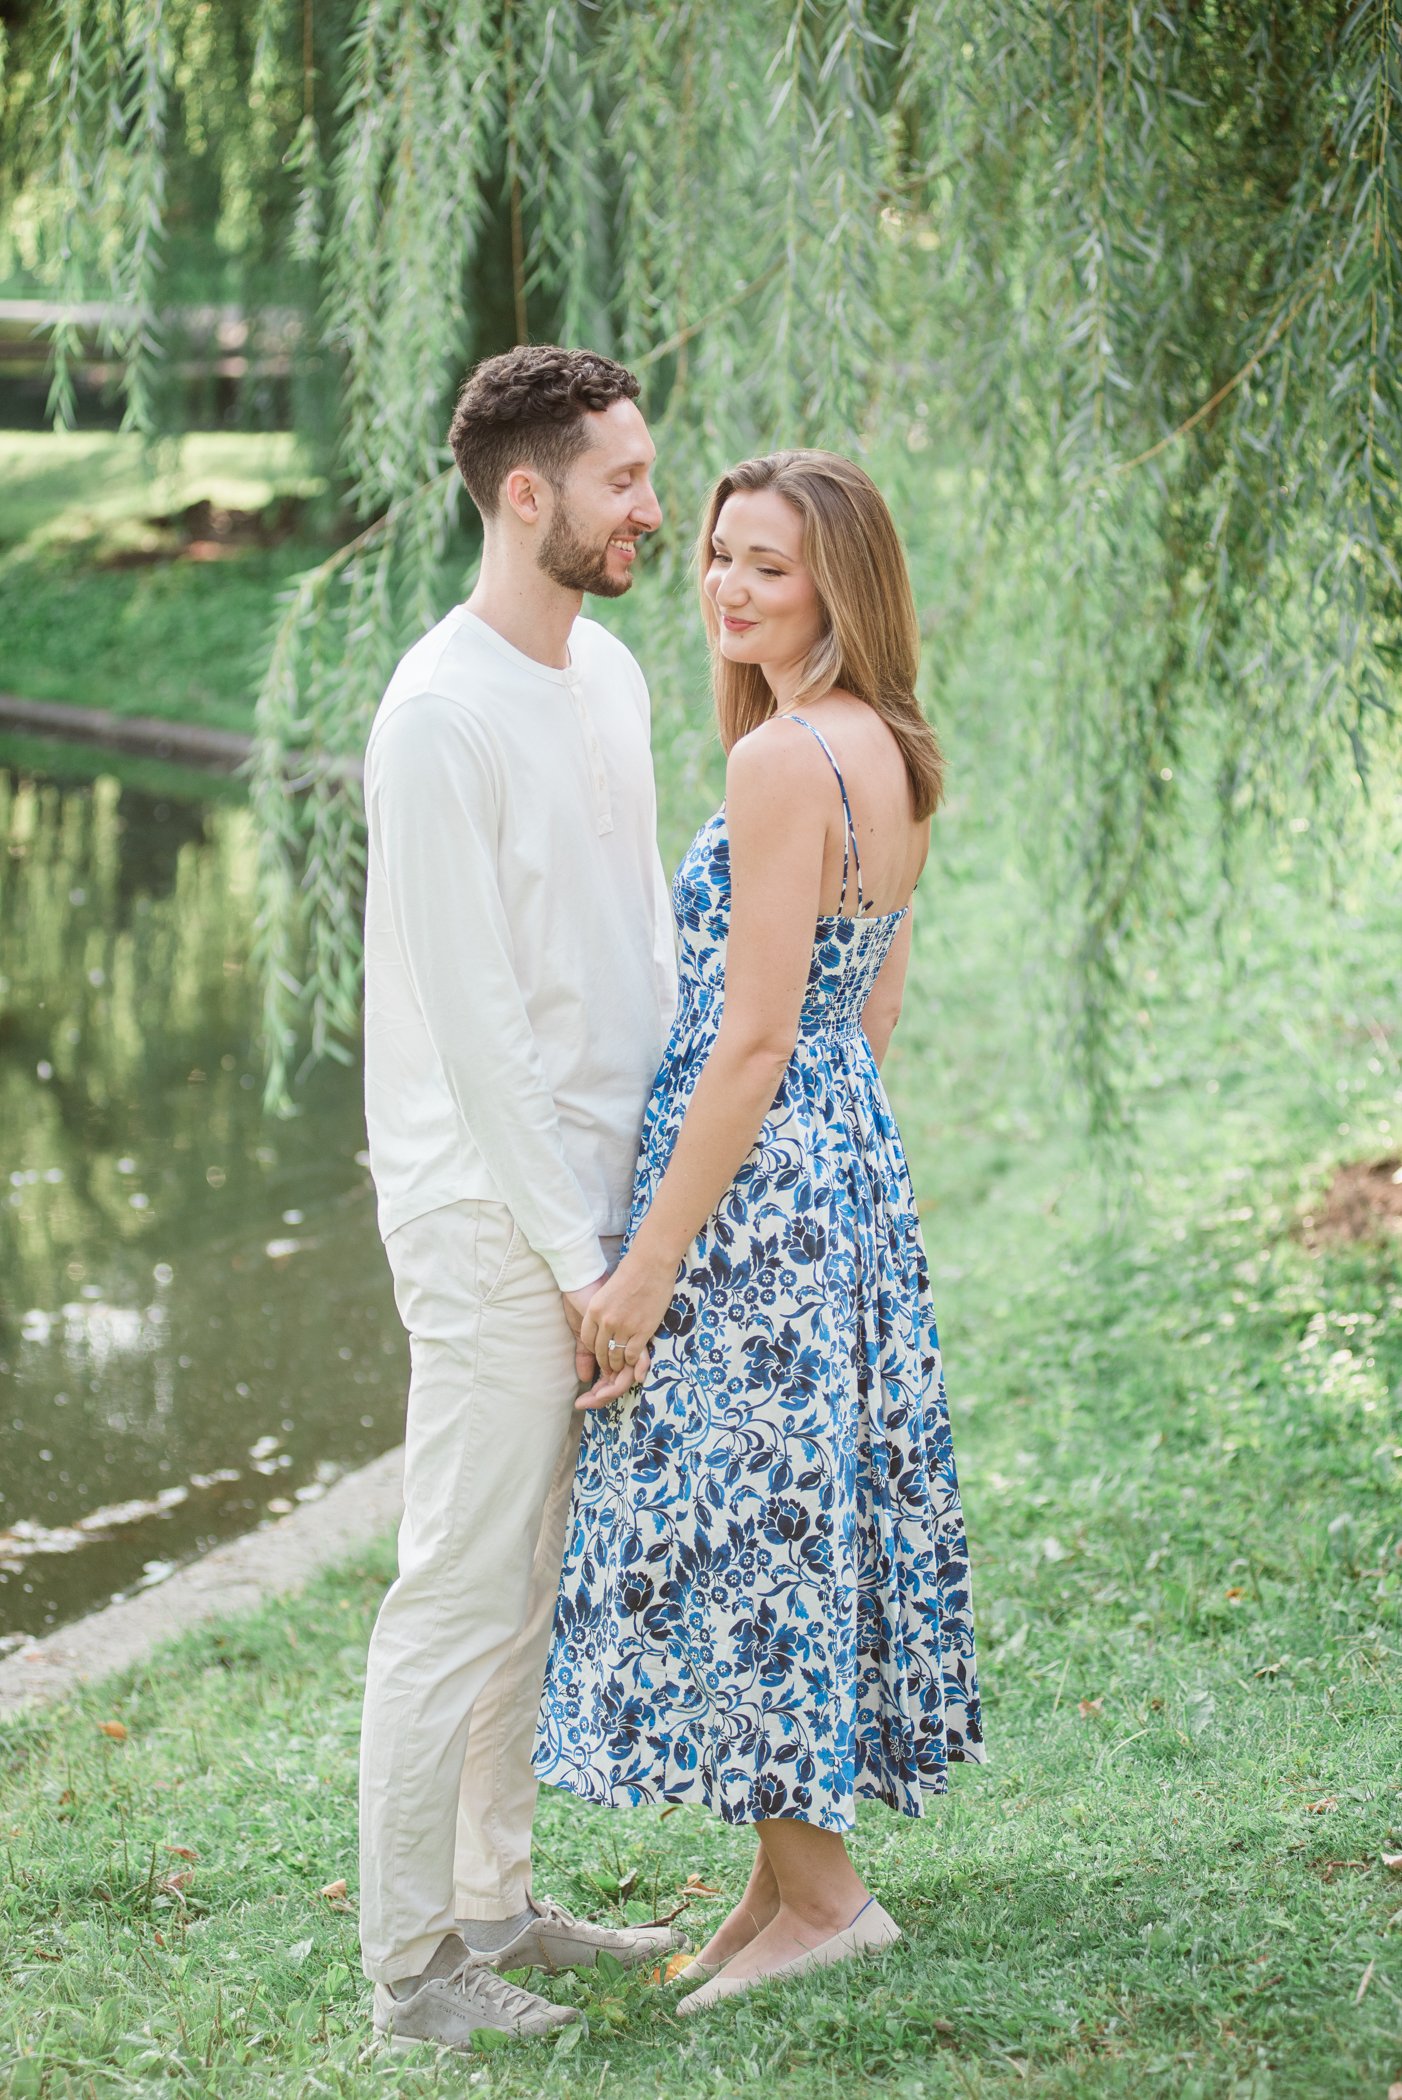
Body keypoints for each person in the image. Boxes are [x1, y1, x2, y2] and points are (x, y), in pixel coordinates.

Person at [533, 448, 984, 2012]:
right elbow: (874, 1008)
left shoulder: (782, 760)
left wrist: (651, 1262)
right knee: (790, 1516)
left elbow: (755, 1039)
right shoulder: (889, 749)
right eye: (719, 552)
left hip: (753, 1188)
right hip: (836, 1168)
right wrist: (825, 1166)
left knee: (752, 1534)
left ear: (835, 588)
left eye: (767, 566)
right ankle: (776, 1888)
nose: (726, 583)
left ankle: (831, 1901)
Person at [357, 344, 683, 2052]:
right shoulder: (436, 717)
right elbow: (476, 1035)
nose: (652, 506)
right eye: (624, 480)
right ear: (527, 494)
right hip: (492, 1217)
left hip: (597, 1211)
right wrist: (573, 1261)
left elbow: (629, 944)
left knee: (529, 1575)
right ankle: (414, 1974)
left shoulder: (609, 675)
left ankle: (496, 1906)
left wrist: (643, 1223)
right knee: (454, 1586)